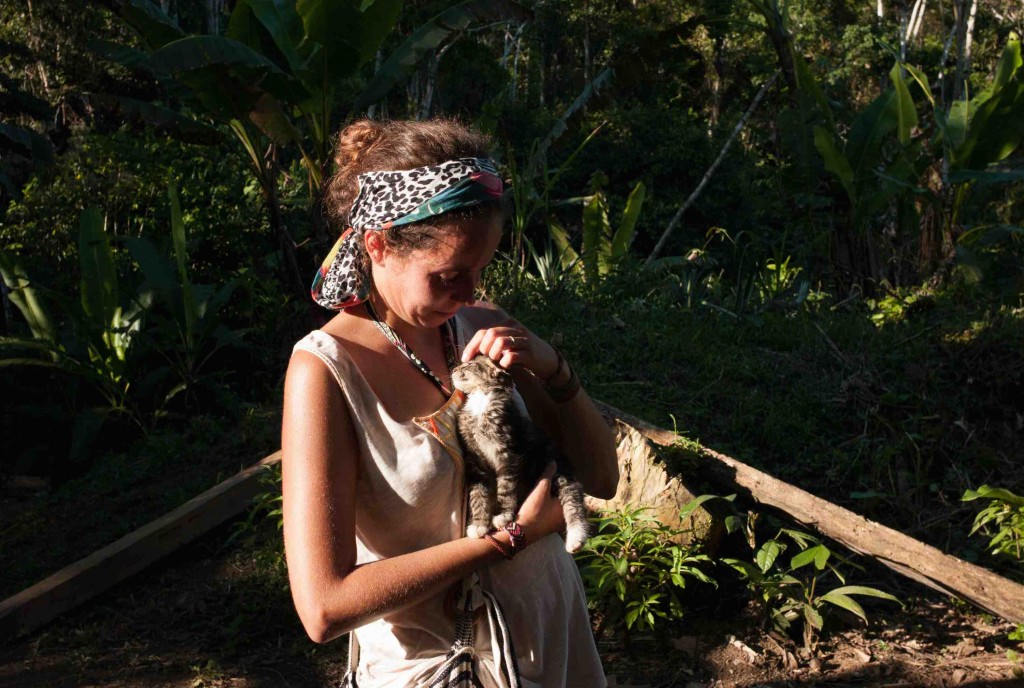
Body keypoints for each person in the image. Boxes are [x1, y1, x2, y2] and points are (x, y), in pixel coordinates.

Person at [281, 118, 619, 688]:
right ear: (378, 244)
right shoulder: (326, 371)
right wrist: (509, 539)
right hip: (439, 668)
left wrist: (552, 367)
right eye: (448, 276)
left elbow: (603, 478)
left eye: (481, 271)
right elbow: (324, 607)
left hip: (550, 638)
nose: (468, 293)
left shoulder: (482, 328)